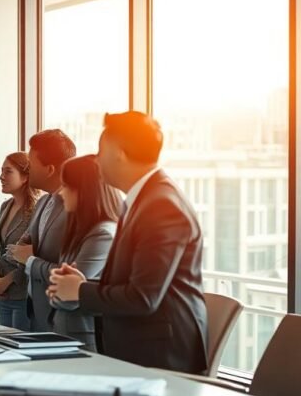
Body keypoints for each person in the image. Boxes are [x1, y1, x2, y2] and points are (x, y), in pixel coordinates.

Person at [48, 112, 208, 373]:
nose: (97, 161)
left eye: (101, 152)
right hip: (140, 349)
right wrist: (81, 283)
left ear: (119, 153)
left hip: (161, 358)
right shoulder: (144, 199)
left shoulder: (162, 206)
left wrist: (80, 291)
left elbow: (143, 298)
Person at [49, 155, 120, 351]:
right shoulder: (82, 230)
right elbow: (61, 290)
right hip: (67, 334)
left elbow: (69, 297)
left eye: (66, 186)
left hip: (84, 340)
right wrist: (60, 290)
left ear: (85, 191)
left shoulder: (103, 234)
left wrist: (60, 290)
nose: (61, 193)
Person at [7, 129, 76, 332]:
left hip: (61, 316)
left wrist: (30, 258)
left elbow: (72, 270)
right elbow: (24, 244)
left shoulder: (75, 208)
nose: (28, 168)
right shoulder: (44, 201)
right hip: (35, 313)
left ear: (50, 169)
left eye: (32, 163)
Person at [0, 152, 39, 331]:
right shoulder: (5, 206)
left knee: (21, 351)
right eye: (1, 171)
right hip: (3, 295)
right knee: (5, 348)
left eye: (8, 172)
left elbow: (36, 254)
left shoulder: (36, 210)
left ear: (25, 177)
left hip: (23, 295)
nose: (1, 176)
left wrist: (9, 280)